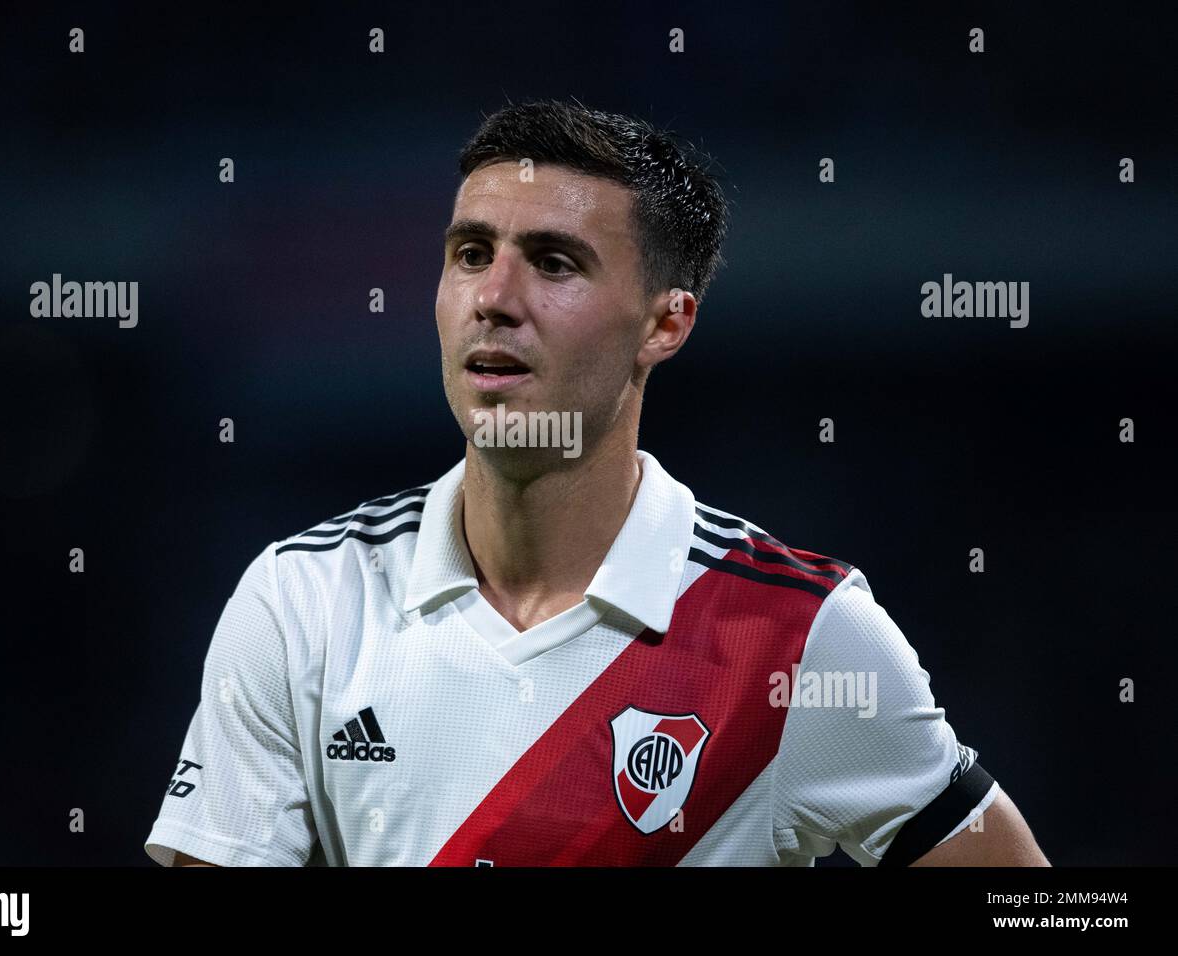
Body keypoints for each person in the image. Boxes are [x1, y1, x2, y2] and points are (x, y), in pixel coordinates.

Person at [145, 99, 1048, 867]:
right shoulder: (301, 601)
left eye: (553, 262)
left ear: (666, 321)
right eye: (469, 253)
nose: (494, 296)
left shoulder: (799, 637)